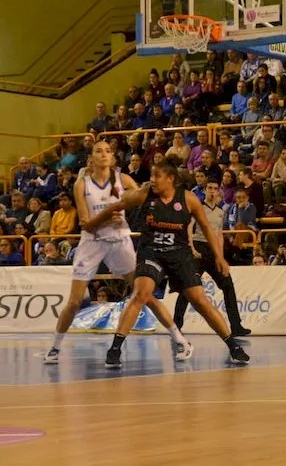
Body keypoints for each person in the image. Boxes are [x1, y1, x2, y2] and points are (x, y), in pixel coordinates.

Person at [89, 160, 250, 368]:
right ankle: (115, 349)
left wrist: (219, 257)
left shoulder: (189, 199)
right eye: (151, 175)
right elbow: (117, 205)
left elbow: (207, 228)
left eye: (157, 176)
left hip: (179, 254)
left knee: (199, 300)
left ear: (171, 179)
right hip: (151, 252)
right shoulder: (145, 194)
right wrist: (92, 223)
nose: (152, 180)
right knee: (141, 294)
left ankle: (234, 347)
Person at [44, 142, 191, 365]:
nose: (104, 154)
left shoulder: (123, 180)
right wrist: (107, 215)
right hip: (92, 242)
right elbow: (86, 224)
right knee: (74, 302)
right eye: (99, 151)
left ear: (113, 157)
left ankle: (180, 340)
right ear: (91, 158)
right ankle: (55, 347)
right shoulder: (82, 184)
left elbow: (146, 196)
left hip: (120, 241)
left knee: (145, 295)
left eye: (108, 151)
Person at [173, 179, 252, 337]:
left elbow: (219, 234)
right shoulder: (198, 208)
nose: (212, 191)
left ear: (218, 191)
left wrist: (220, 256)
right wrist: (191, 247)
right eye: (209, 188)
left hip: (213, 250)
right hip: (198, 247)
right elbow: (189, 227)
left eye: (215, 188)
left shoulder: (221, 211)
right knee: (188, 288)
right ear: (205, 190)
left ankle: (236, 326)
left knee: (228, 285)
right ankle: (176, 325)